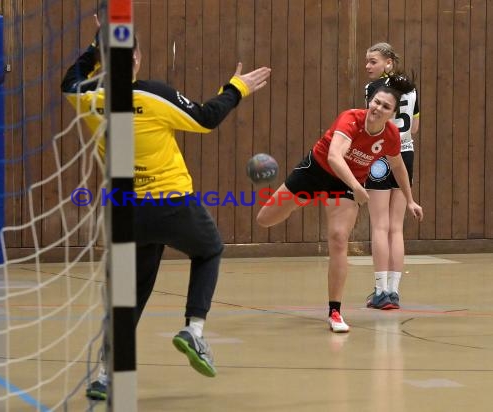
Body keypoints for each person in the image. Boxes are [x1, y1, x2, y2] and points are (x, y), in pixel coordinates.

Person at [61, 17, 271, 400]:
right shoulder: (153, 96)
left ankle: (107, 376)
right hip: (171, 202)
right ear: (137, 58)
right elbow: (207, 118)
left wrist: (95, 46)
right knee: (209, 250)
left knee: (129, 294)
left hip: (125, 210)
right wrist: (237, 88)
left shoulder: (87, 98)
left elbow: (69, 80)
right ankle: (194, 329)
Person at [256, 74, 423, 333]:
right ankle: (297, 202)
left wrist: (410, 200)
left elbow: (398, 165)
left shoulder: (389, 134)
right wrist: (358, 188)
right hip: (317, 170)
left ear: (392, 114)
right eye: (376, 102)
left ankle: (334, 311)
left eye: (386, 107)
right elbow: (334, 157)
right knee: (265, 219)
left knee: (337, 238)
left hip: (344, 185)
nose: (378, 109)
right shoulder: (351, 118)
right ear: (371, 101)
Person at [363, 43, 420, 310]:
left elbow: (371, 125)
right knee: (396, 227)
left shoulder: (375, 90)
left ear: (388, 63)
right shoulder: (411, 88)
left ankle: (380, 291)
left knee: (380, 226)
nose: (368, 66)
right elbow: (415, 126)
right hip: (406, 154)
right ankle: (394, 292)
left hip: (381, 156)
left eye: (373, 61)